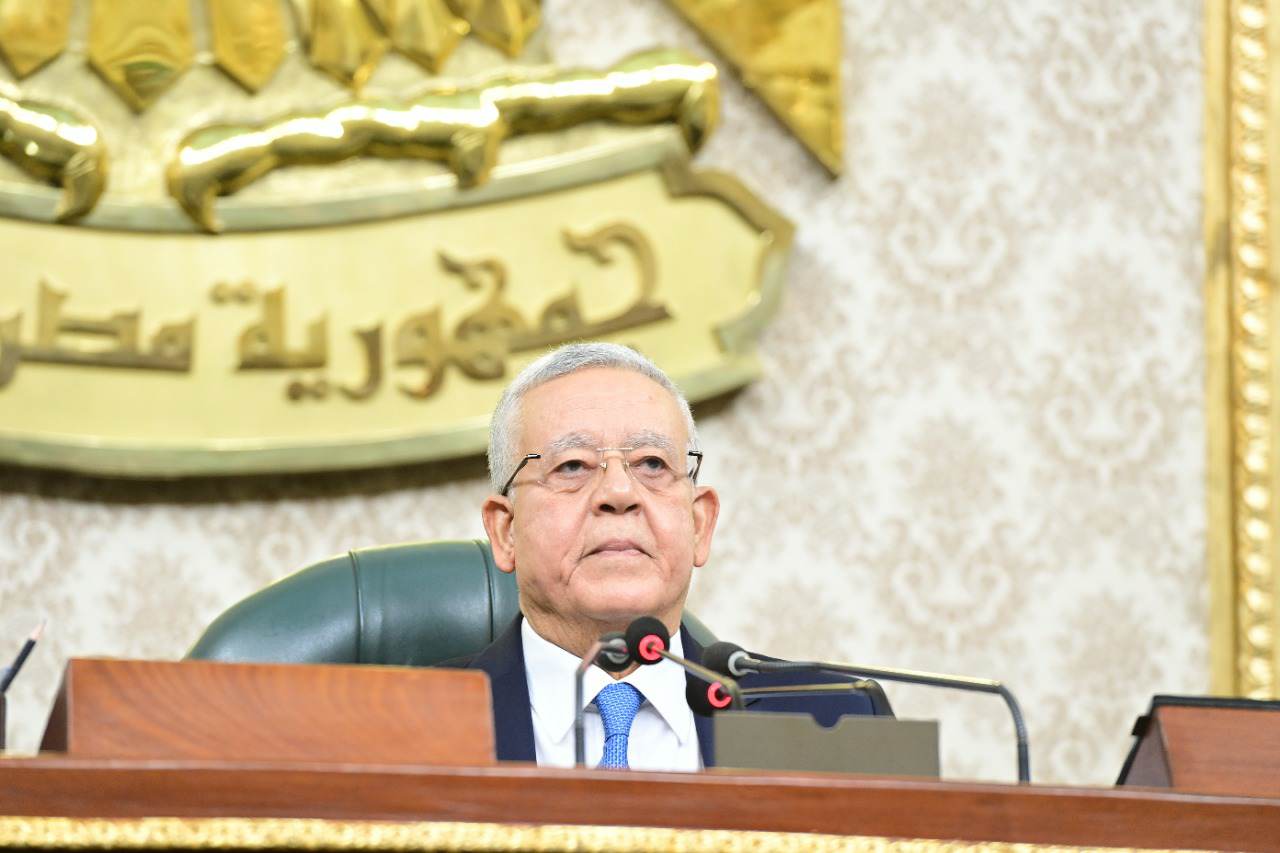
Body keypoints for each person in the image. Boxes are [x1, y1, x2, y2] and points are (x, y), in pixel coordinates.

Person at [453, 342, 889, 770]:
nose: (619, 492)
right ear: (505, 531)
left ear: (699, 524)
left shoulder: (838, 719)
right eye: (572, 466)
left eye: (652, 464)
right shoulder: (418, 724)